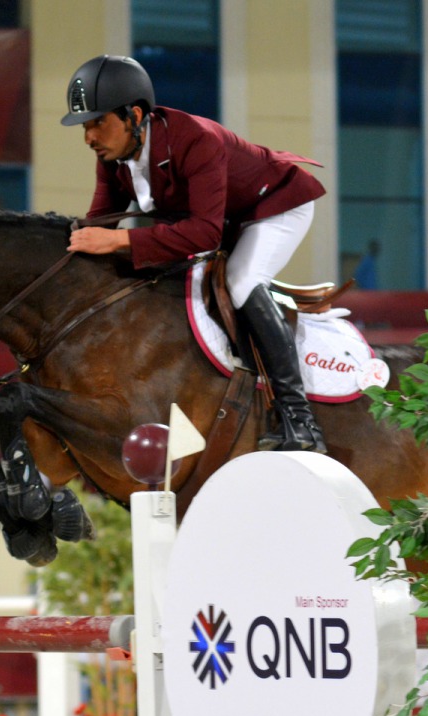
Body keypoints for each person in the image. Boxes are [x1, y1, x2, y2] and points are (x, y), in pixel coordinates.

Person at [61, 54, 327, 453]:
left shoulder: (195, 139)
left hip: (275, 206)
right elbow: (99, 226)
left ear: (133, 115)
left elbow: (202, 233)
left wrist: (118, 242)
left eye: (98, 122)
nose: (89, 137)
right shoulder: (114, 161)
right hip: (228, 220)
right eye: (85, 126)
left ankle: (300, 418)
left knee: (241, 281)